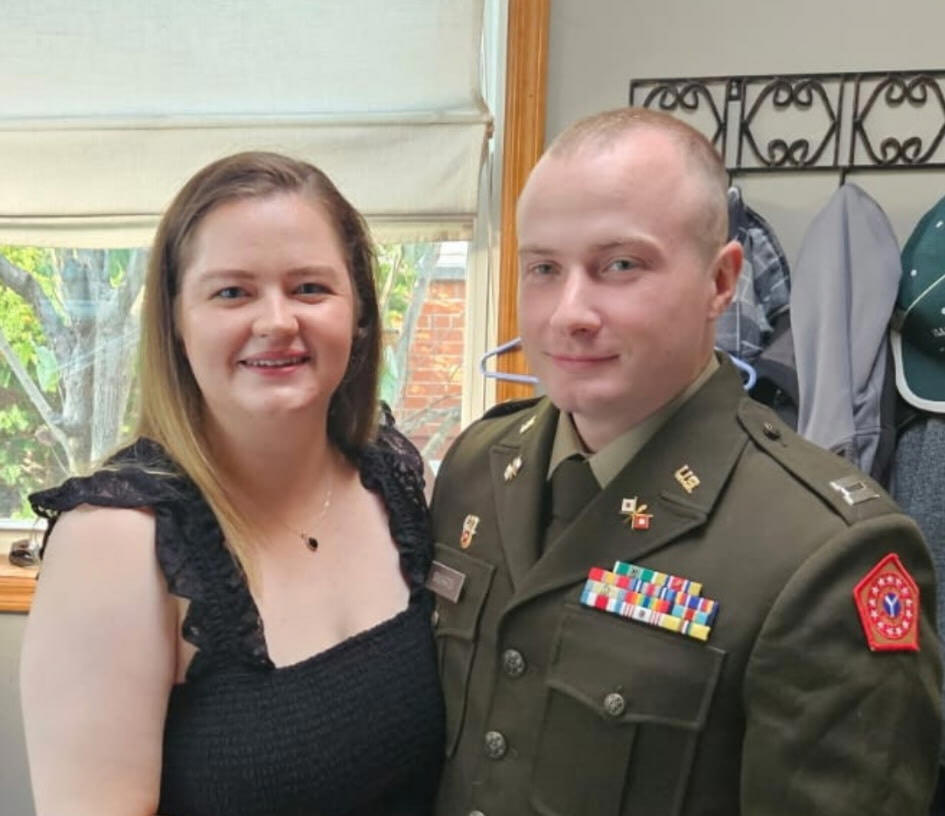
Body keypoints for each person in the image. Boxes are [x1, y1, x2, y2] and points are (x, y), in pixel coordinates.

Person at [429, 108, 941, 815]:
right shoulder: (476, 468)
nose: (569, 313)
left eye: (620, 266)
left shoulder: (824, 552)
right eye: (543, 268)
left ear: (720, 281)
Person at [20, 152, 444, 816]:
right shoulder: (114, 542)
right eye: (232, 293)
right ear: (176, 322)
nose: (276, 321)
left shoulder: (396, 480)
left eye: (310, 288)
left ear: (358, 312)